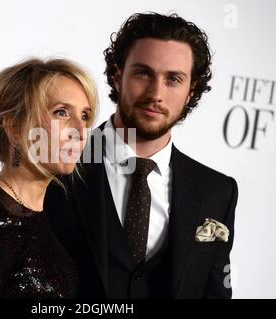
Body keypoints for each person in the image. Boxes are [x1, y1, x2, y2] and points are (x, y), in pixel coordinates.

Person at [45, 12, 239, 299]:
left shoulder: (216, 192)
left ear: (191, 91)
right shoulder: (56, 161)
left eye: (173, 79)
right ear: (117, 75)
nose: (155, 93)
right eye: (143, 73)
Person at [0, 58, 98, 298]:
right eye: (61, 112)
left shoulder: (30, 209)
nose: (80, 132)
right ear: (15, 127)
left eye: (85, 116)